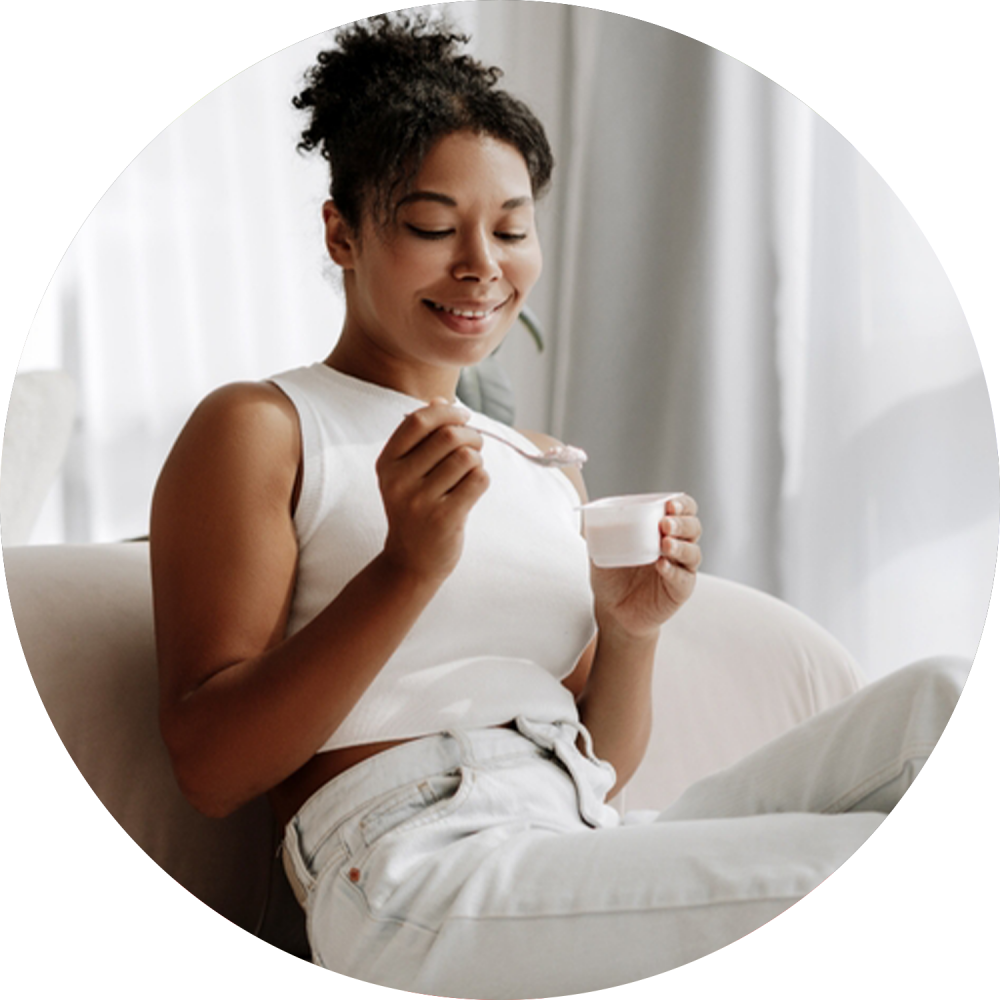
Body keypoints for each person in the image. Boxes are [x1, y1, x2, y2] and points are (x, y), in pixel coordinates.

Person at [149, 13, 968, 998]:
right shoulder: (268, 425)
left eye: (509, 227)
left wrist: (630, 629)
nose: (481, 265)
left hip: (576, 827)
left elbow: (606, 760)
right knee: (853, 876)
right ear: (342, 232)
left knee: (946, 699)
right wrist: (405, 568)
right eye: (430, 225)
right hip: (412, 870)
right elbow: (211, 764)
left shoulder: (540, 465)